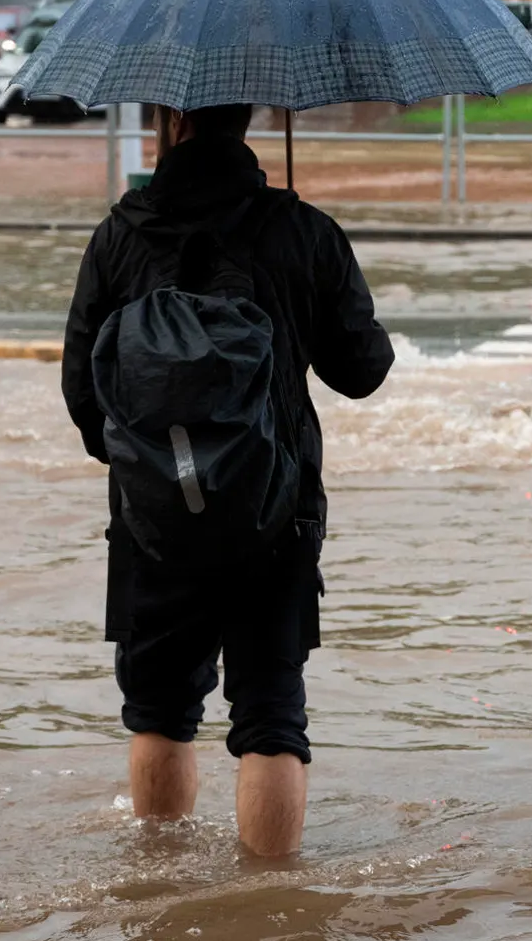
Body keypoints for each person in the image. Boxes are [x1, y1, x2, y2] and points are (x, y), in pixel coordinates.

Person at [62, 103, 394, 857]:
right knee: (272, 716)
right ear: (250, 114)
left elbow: (84, 395)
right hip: (276, 515)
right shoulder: (302, 229)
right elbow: (363, 371)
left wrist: (157, 472)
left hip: (150, 523)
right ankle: (271, 907)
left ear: (169, 116)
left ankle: (160, 889)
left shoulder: (120, 234)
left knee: (158, 709)